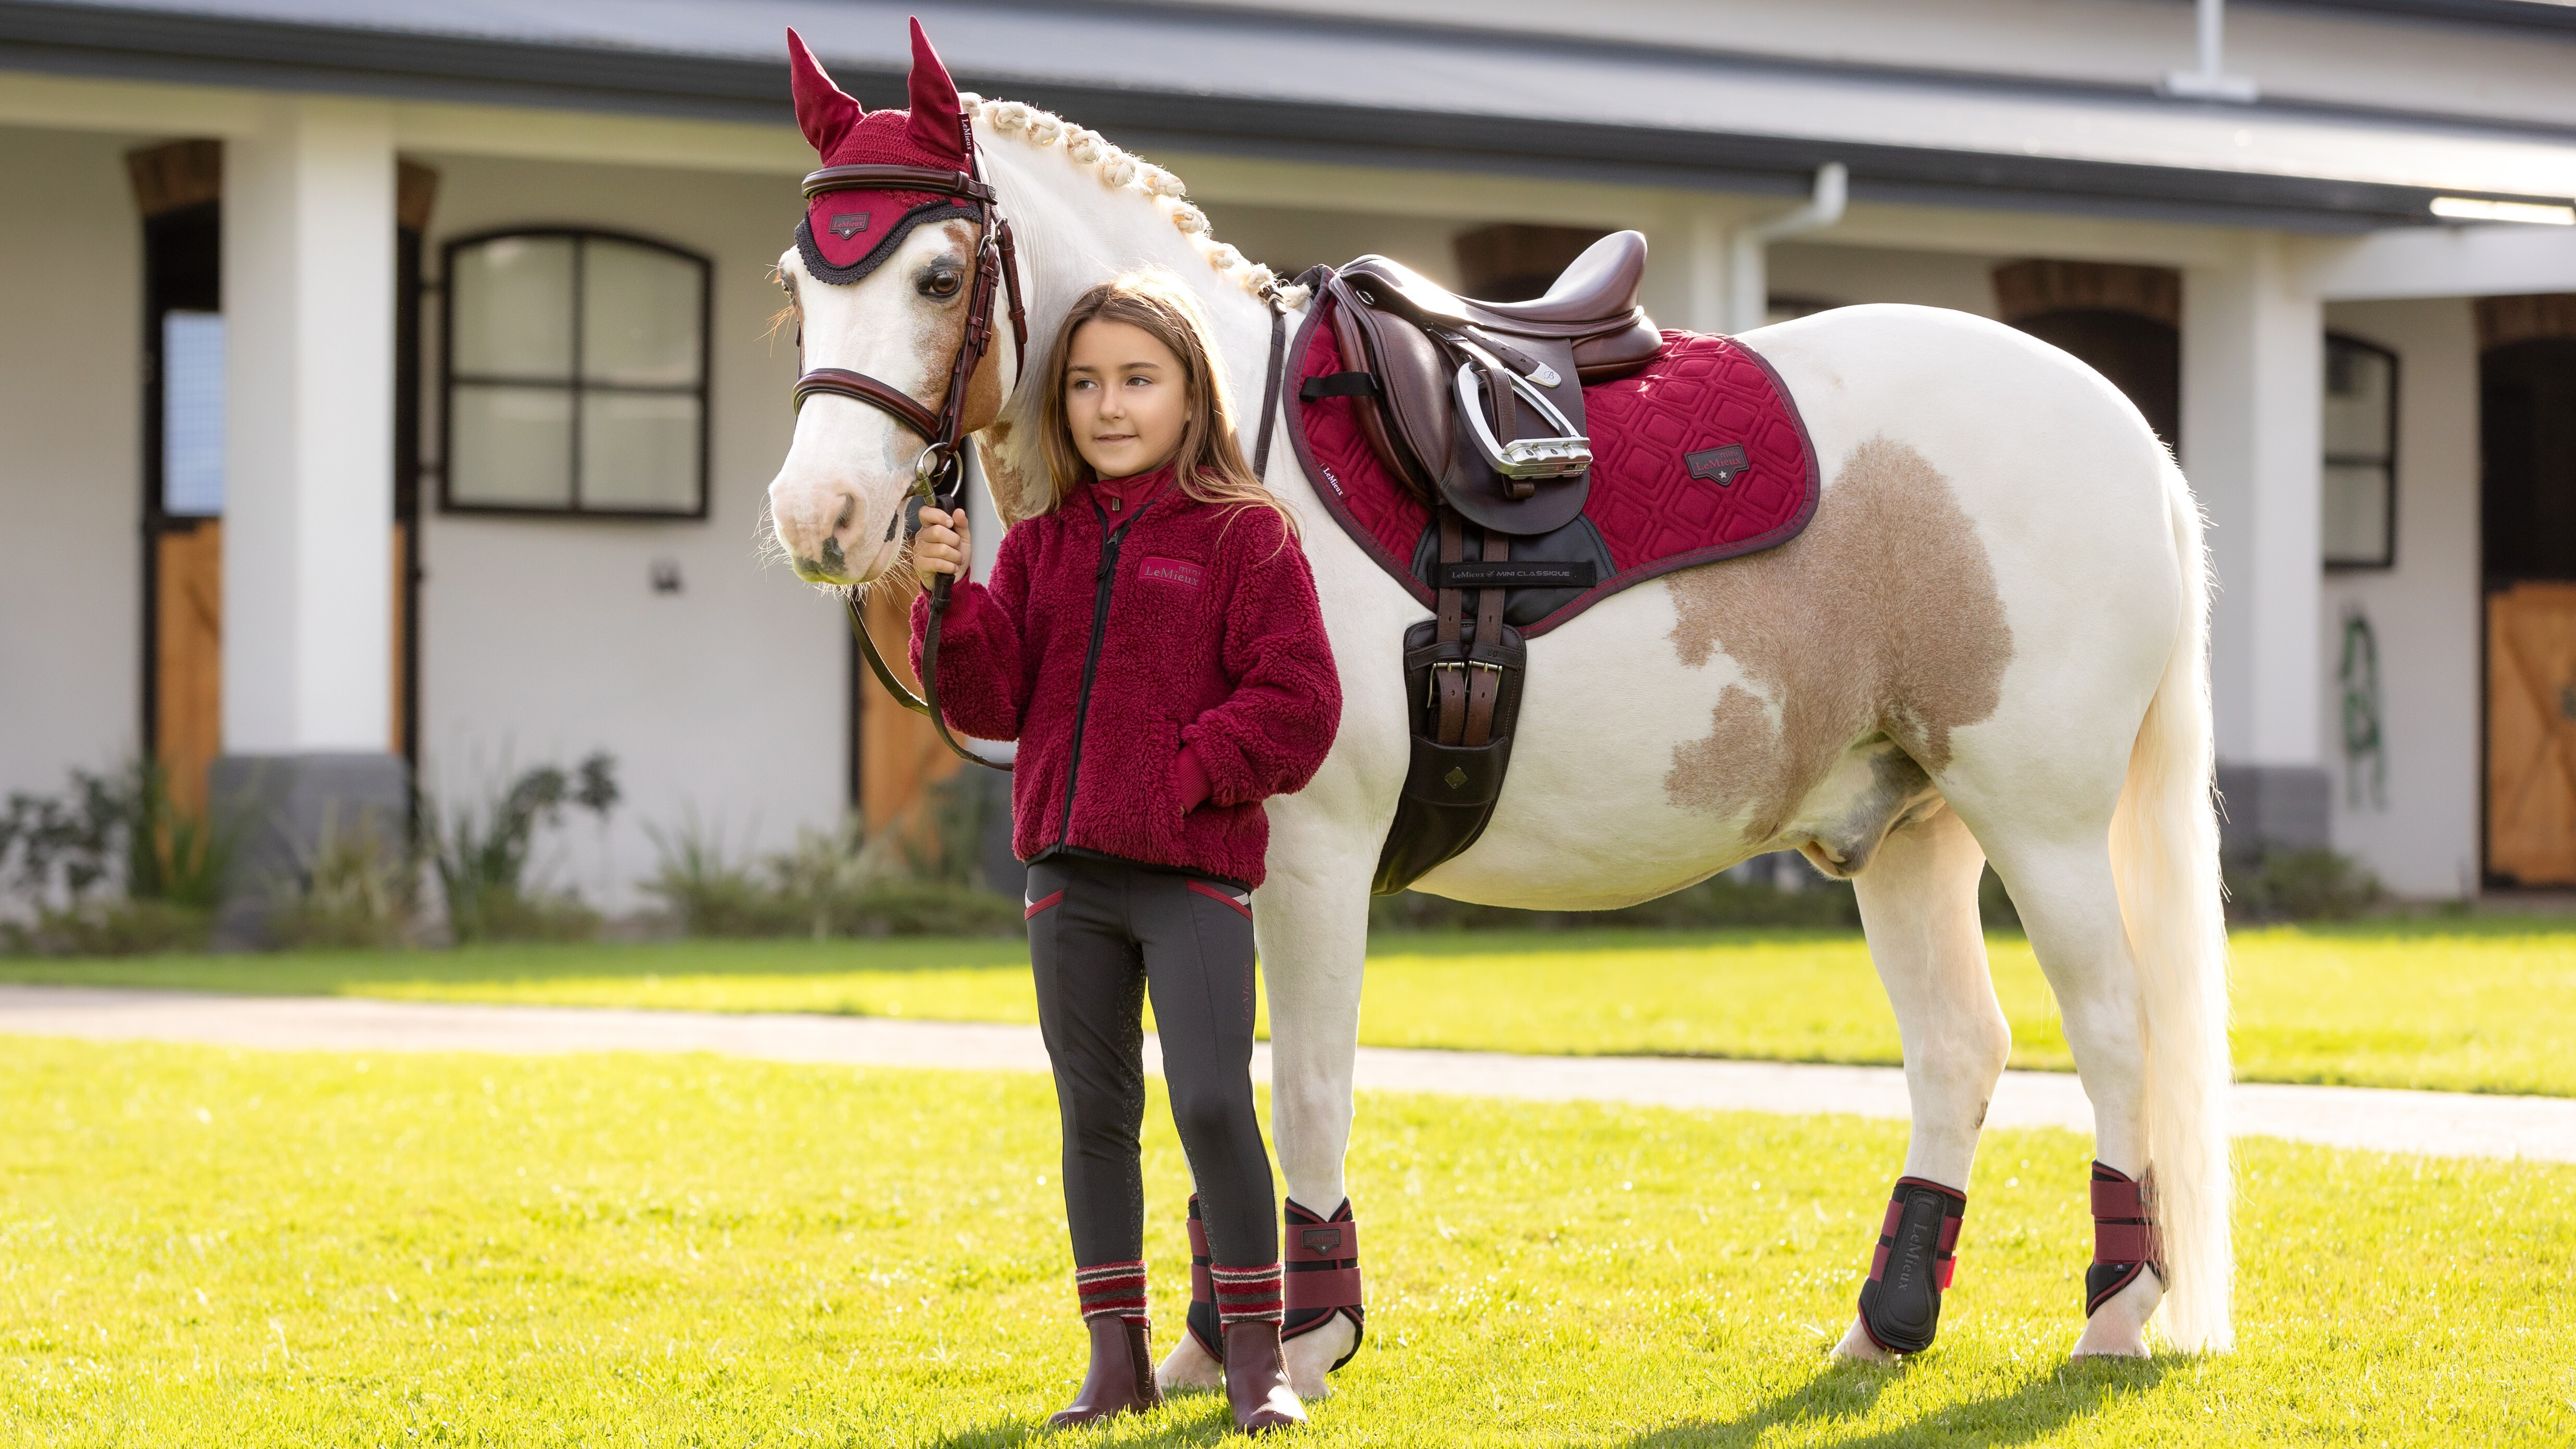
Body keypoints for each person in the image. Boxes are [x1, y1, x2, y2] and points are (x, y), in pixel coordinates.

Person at [908, 269, 1341, 1433]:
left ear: (1191, 395)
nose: (1109, 406)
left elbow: (1301, 703)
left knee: (1210, 1103)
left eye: (1138, 381)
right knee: (1093, 1117)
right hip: (1067, 879)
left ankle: (1257, 1361)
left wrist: (1184, 777)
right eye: (1086, 383)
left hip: (1191, 875)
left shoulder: (1247, 537)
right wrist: (948, 599)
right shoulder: (1039, 547)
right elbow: (991, 702)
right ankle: (1115, 1363)